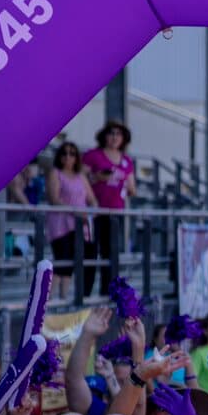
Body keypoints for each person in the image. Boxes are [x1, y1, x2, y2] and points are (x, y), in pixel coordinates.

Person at [81, 120, 135, 297]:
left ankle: (107, 294)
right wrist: (97, 177)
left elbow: (133, 189)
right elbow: (79, 178)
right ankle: (85, 293)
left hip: (115, 213)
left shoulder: (126, 160)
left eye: (118, 134)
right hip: (93, 212)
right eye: (111, 133)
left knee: (110, 254)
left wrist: (121, 181)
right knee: (90, 253)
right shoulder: (93, 155)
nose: (114, 137)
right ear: (104, 135)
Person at [43, 140, 96, 297]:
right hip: (61, 224)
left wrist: (90, 213)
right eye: (64, 153)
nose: (68, 156)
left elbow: (92, 199)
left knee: (71, 262)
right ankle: (48, 300)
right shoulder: (55, 173)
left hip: (79, 224)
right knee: (62, 260)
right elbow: (54, 198)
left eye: (72, 153)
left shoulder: (81, 177)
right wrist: (76, 212)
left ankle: (64, 298)